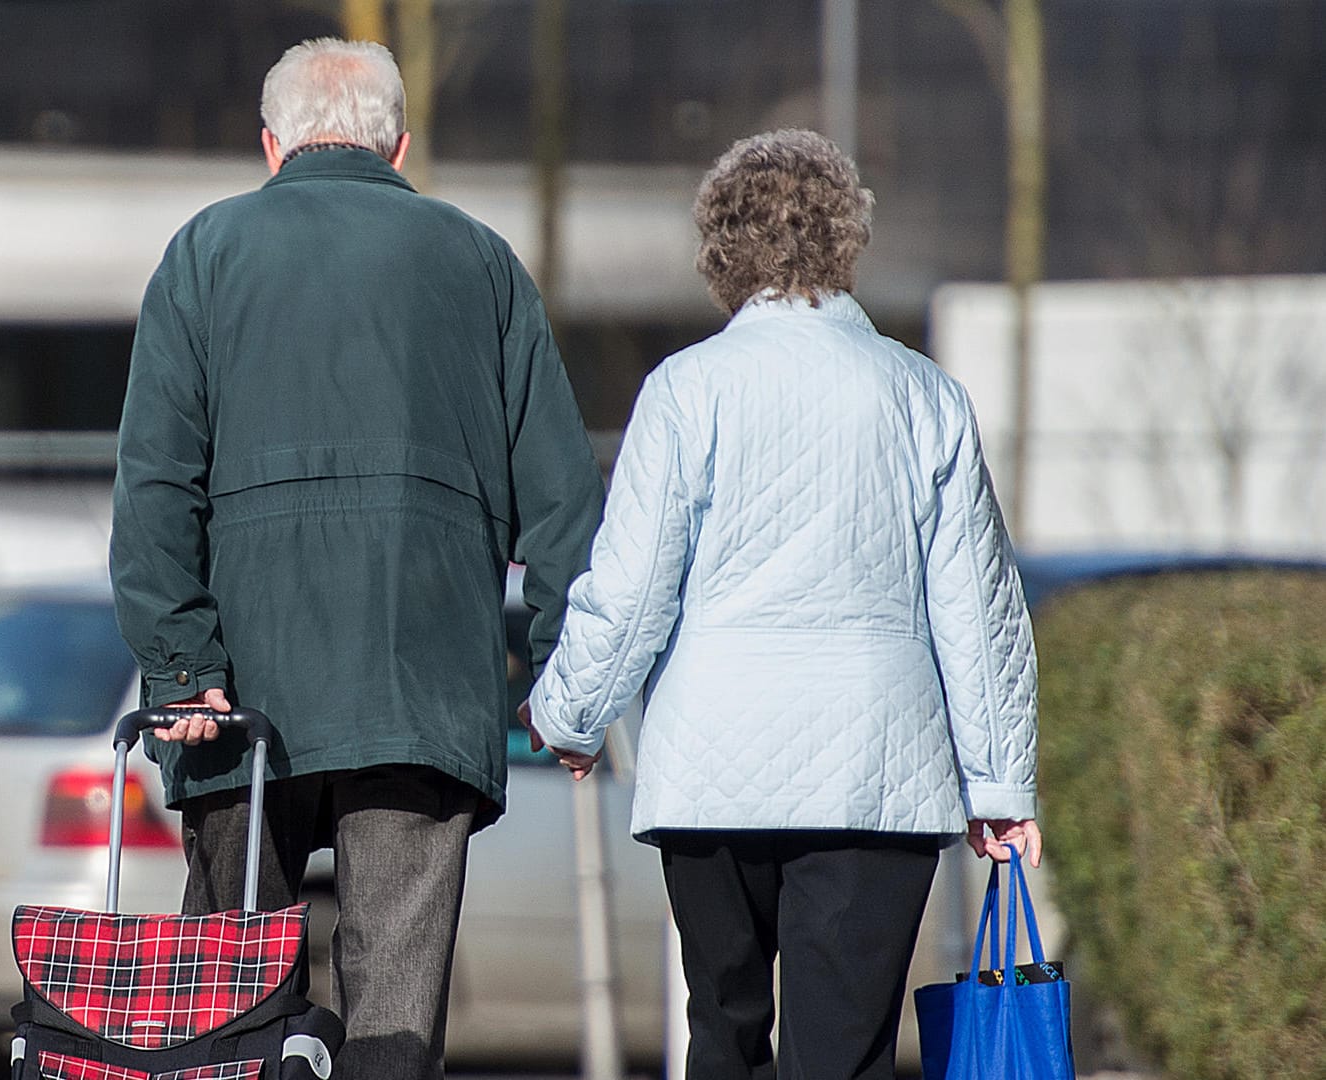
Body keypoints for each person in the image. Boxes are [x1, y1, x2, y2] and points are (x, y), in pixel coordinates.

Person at [109, 38, 603, 1080]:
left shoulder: (205, 253)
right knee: (396, 1013)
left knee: (228, 1008)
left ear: (270, 144)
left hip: (237, 702)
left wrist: (182, 666)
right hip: (418, 686)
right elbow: (561, 500)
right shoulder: (481, 263)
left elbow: (154, 487)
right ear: (401, 145)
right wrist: (569, 679)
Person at [520, 129, 1042, 1080]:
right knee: (840, 1052)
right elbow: (980, 608)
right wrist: (999, 786)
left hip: (714, 770)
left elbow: (632, 588)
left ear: (722, 251)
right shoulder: (923, 395)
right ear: (847, 241)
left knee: (723, 1032)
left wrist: (571, 715)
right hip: (874, 771)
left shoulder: (683, 393)